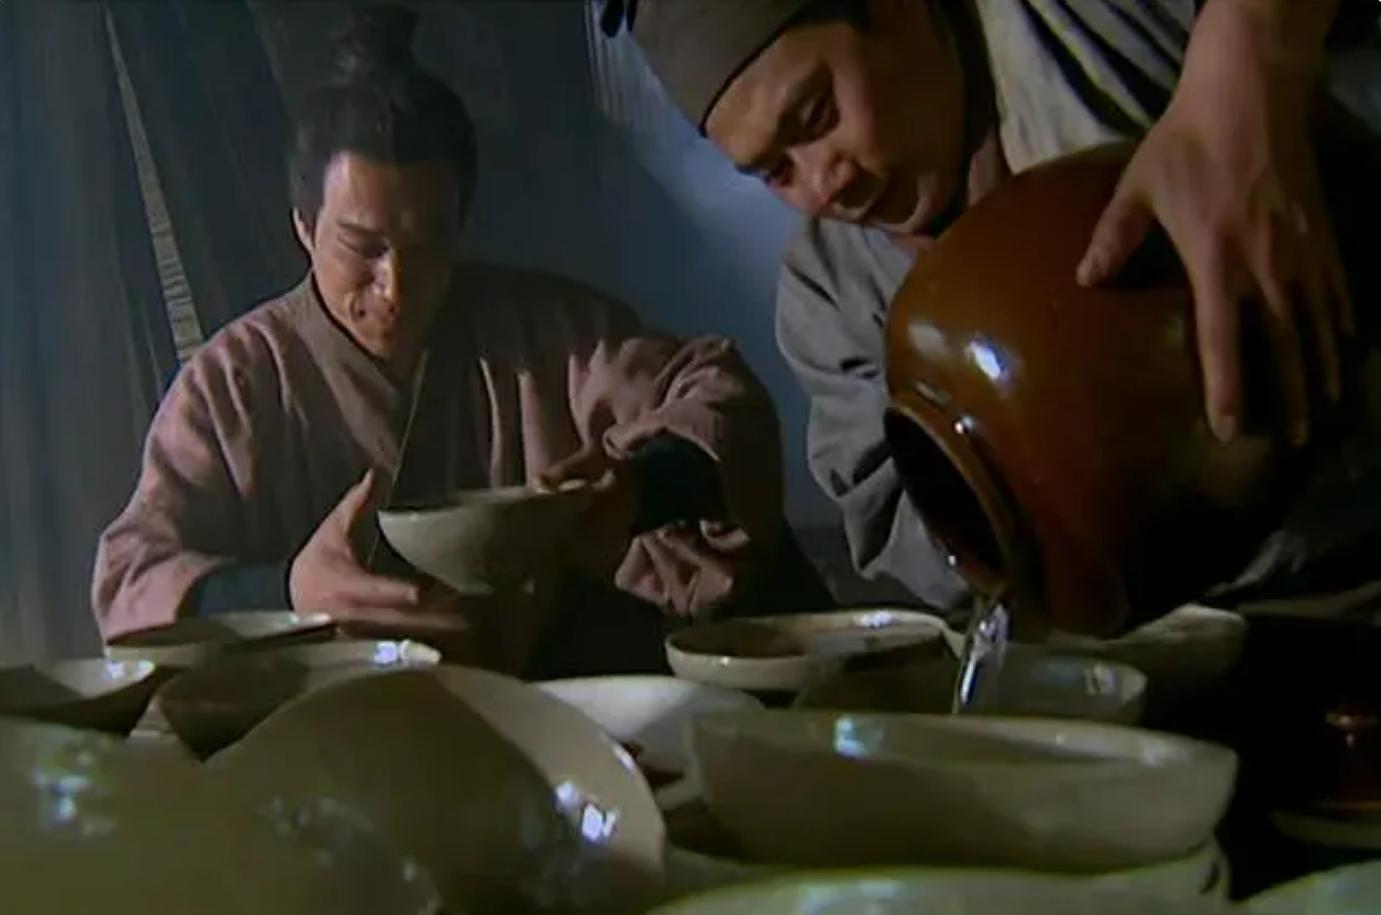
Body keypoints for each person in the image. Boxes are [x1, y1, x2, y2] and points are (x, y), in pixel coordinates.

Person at [92, 6, 822, 674]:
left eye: (429, 242)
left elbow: (719, 399)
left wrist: (636, 488)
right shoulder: (236, 382)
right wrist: (290, 591)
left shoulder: (545, 335)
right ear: (305, 228)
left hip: (566, 696)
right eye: (362, 248)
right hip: (331, 724)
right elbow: (133, 579)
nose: (396, 284)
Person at [604, 0, 1381, 618]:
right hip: (1170, 644)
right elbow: (918, 534)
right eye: (775, 171)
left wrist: (1247, 63)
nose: (823, 183)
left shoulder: (1076, 24)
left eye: (814, 116)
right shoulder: (829, 295)